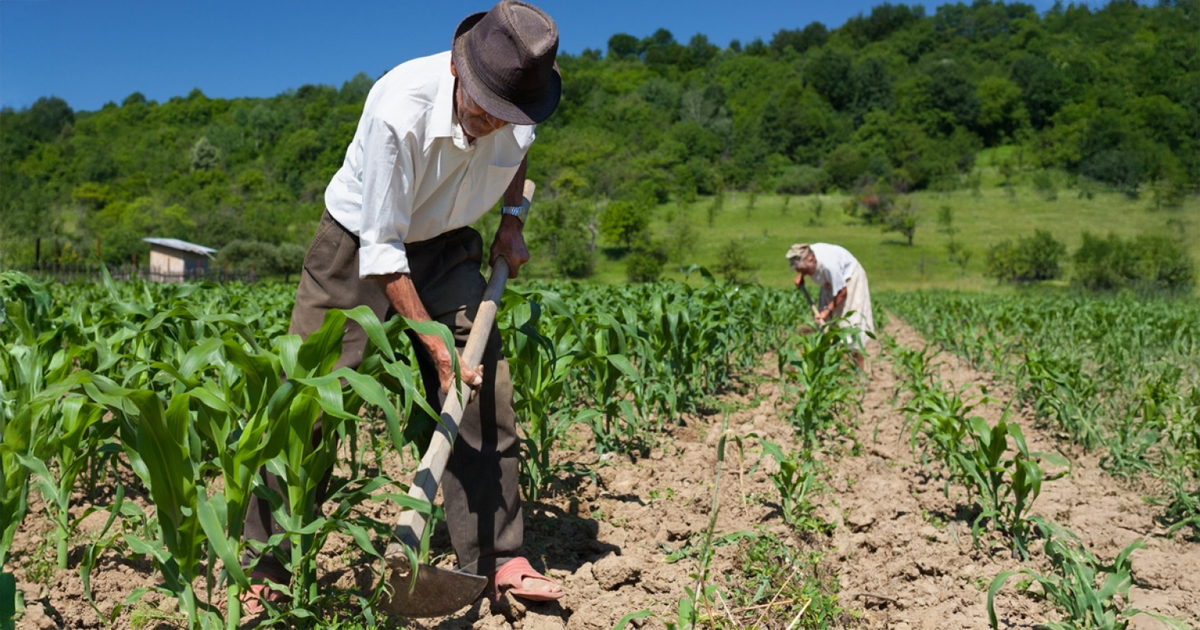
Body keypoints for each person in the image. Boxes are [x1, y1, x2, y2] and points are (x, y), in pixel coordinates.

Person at [240, 0, 564, 613]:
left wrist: (513, 220)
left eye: (508, 114)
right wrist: (433, 346)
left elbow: (519, 156)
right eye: (484, 108)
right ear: (458, 71)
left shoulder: (523, 102)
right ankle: (264, 563)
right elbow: (382, 251)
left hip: (449, 243)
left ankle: (498, 557)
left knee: (482, 388)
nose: (495, 123)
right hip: (360, 241)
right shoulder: (399, 108)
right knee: (310, 396)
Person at [786, 243, 875, 361]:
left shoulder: (829, 266)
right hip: (829, 283)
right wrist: (801, 275)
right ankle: (827, 363)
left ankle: (859, 371)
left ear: (811, 260)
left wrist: (827, 311)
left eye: (803, 269)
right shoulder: (806, 253)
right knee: (824, 326)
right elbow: (802, 262)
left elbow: (842, 292)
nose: (803, 272)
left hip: (850, 279)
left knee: (850, 326)